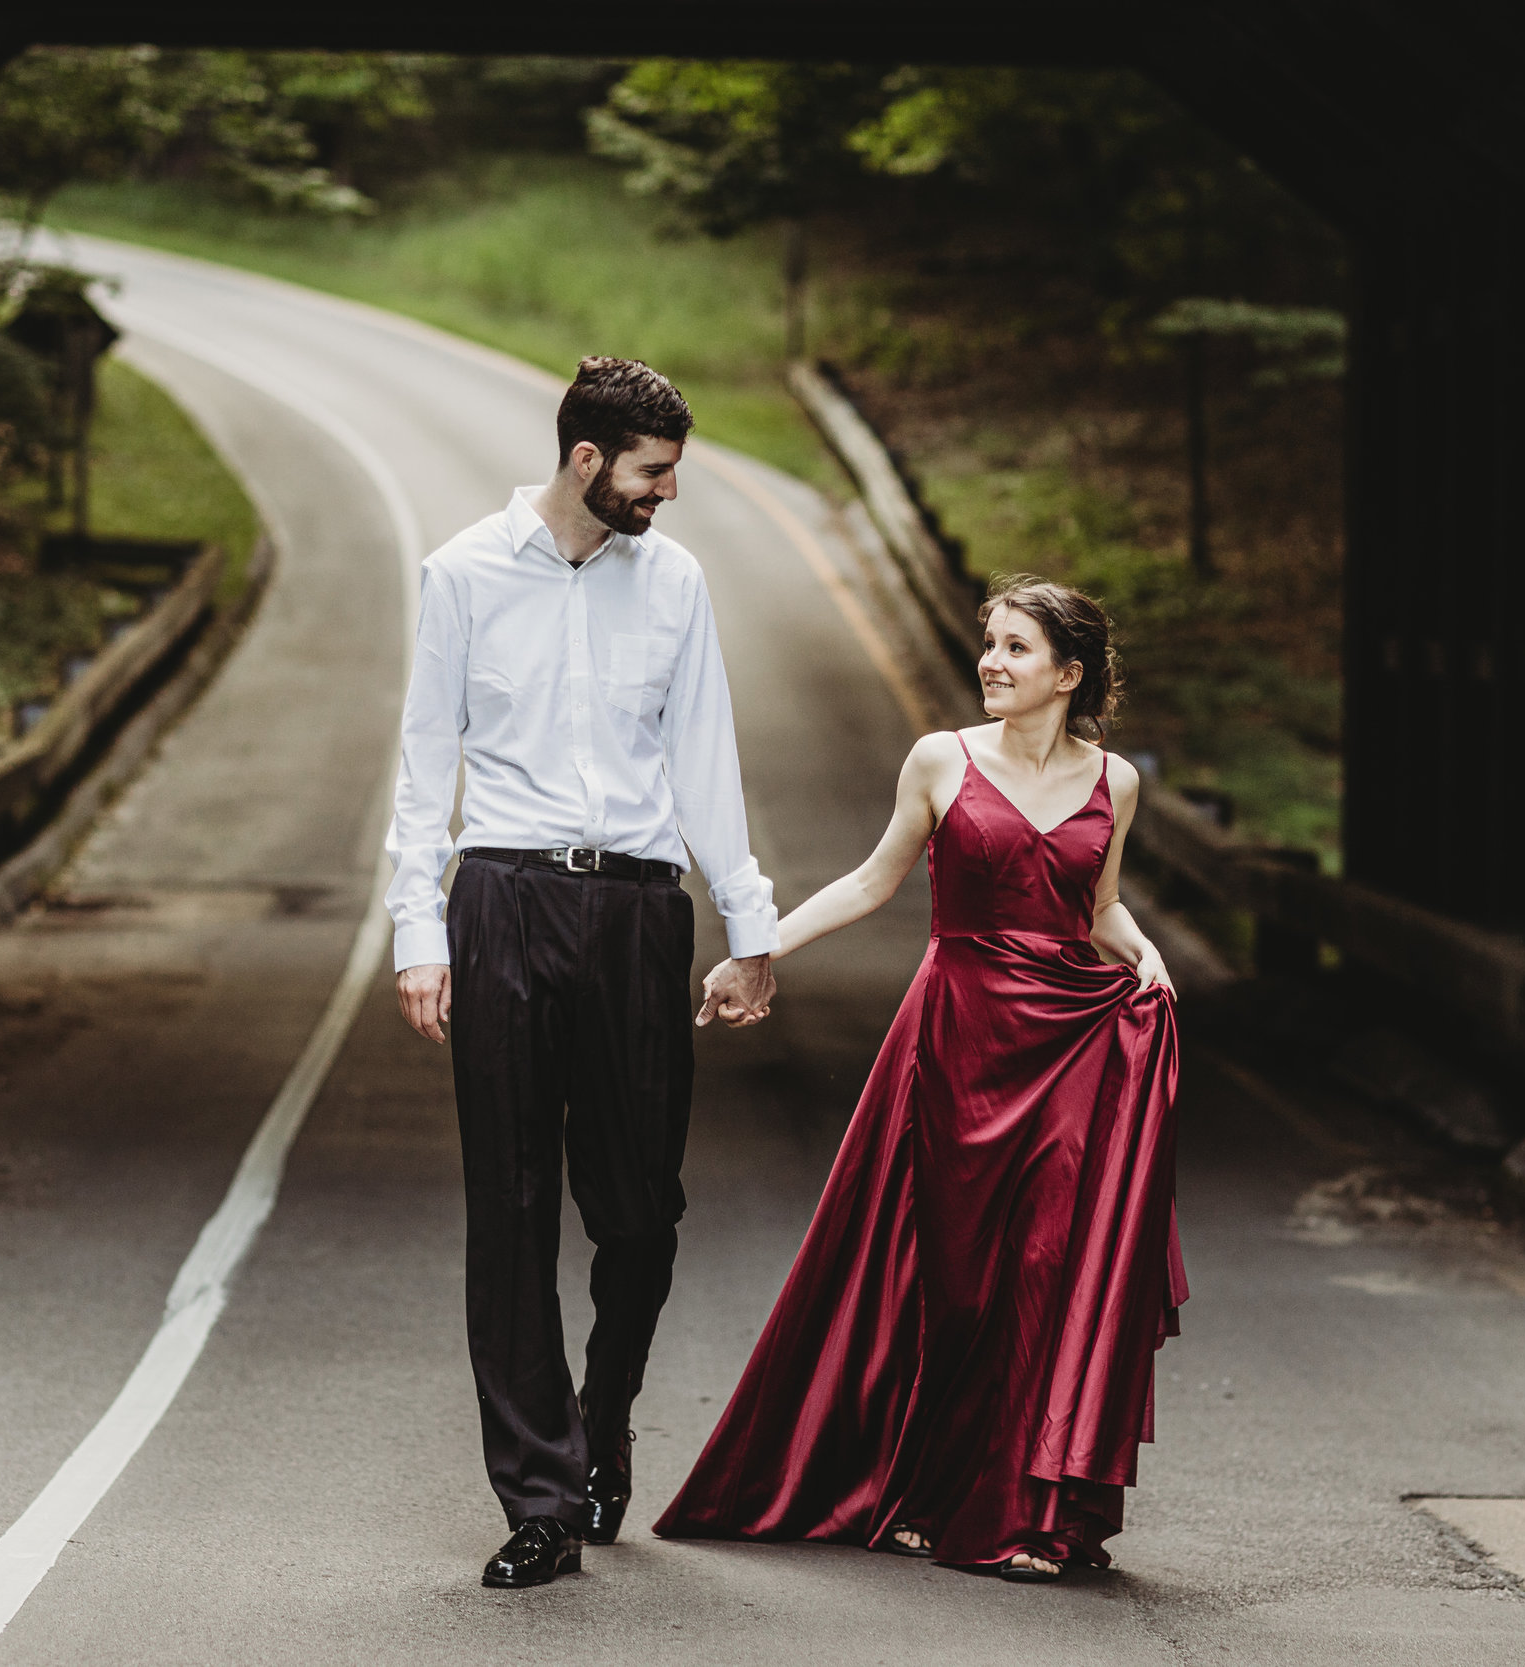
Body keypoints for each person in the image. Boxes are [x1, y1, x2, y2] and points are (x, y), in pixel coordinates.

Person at [656, 576, 1184, 1582]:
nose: (992, 661)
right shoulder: (941, 758)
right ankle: (920, 1490)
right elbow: (869, 879)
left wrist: (1143, 952)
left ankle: (1027, 1513)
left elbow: (1098, 904)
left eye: (1017, 648)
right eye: (990, 643)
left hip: (1070, 1043)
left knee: (1043, 1267)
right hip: (956, 1041)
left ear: (1068, 674)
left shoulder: (1115, 780)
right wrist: (756, 949)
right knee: (956, 1283)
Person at [385, 357, 780, 1590]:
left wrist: (747, 920)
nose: (668, 495)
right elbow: (422, 761)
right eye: (655, 472)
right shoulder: (461, 573)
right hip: (500, 899)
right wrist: (418, 930)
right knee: (507, 1212)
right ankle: (542, 1495)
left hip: (634, 916)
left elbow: (703, 752)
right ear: (587, 460)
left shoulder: (674, 582)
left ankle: (603, 1414)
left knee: (639, 1210)